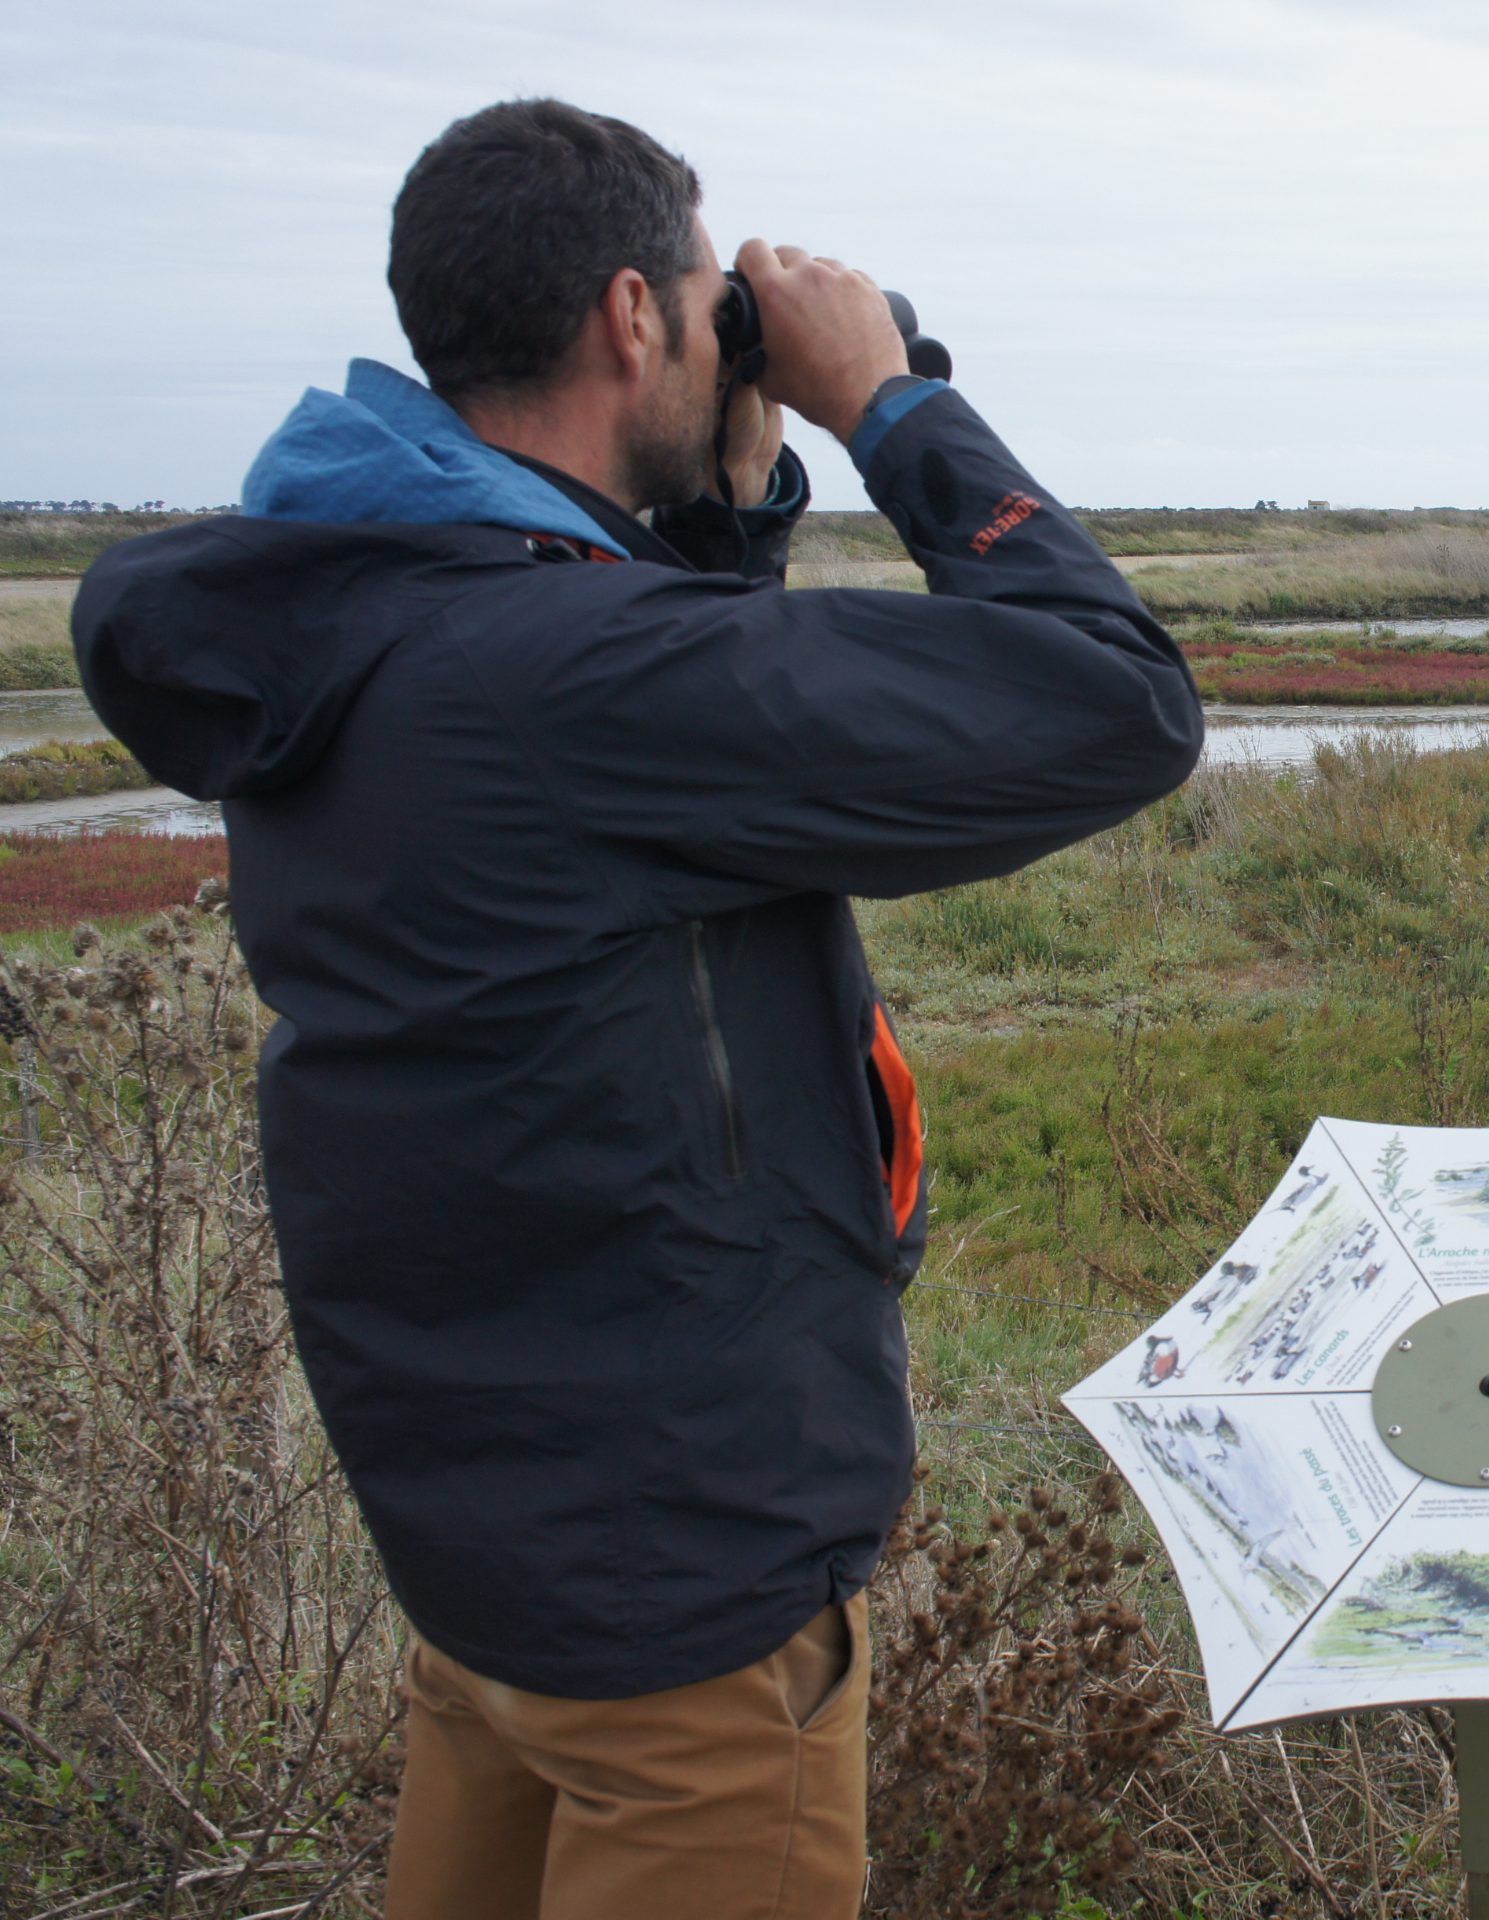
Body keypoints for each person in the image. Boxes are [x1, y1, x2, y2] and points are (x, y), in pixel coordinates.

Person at [71, 98, 1203, 1918]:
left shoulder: (361, 621)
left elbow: (632, 783)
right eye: (704, 303)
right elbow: (1116, 704)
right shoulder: (575, 679)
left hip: (491, 1569)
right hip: (689, 1616)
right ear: (627, 318)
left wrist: (732, 508)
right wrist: (891, 407)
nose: (718, 329)